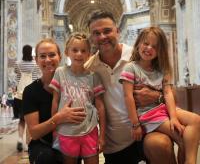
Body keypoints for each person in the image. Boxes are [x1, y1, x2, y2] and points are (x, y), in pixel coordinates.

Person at [84, 10, 177, 164]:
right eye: (96, 33)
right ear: (91, 38)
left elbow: (168, 88)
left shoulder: (138, 56)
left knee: (161, 145)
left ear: (118, 31)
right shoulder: (89, 68)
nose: (102, 37)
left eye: (107, 31)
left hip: (149, 129)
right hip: (115, 144)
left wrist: (157, 96)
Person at [119, 26, 200, 164]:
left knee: (196, 120)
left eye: (155, 46)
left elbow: (167, 93)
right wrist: (135, 124)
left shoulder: (161, 69)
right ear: (138, 43)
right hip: (149, 115)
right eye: (146, 43)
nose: (149, 48)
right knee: (182, 136)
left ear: (160, 52)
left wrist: (174, 117)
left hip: (164, 109)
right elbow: (128, 97)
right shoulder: (131, 67)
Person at [22, 38, 86, 164]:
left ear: (60, 57)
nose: (47, 60)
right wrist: (59, 118)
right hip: (42, 145)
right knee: (47, 158)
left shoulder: (73, 86)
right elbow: (34, 133)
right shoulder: (30, 91)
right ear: (36, 60)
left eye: (52, 55)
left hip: (70, 141)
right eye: (42, 56)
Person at [50, 33, 106, 164]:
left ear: (89, 54)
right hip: (66, 130)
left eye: (83, 50)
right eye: (75, 50)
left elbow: (100, 106)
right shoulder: (60, 73)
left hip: (89, 130)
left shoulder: (94, 76)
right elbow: (55, 101)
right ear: (67, 52)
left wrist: (102, 135)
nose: (79, 54)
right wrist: (54, 128)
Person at [14, 44, 41, 152]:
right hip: (31, 94)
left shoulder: (18, 64)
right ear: (31, 52)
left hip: (19, 94)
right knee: (30, 119)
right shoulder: (35, 64)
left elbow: (17, 76)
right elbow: (36, 78)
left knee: (21, 120)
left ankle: (20, 139)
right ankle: (27, 144)